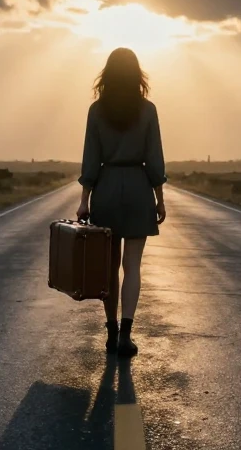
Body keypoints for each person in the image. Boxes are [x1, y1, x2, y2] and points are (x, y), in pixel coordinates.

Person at [76, 47, 167, 358]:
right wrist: (160, 199)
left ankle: (111, 332)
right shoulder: (149, 109)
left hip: (107, 187)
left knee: (109, 266)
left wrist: (84, 199)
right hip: (139, 188)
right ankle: (127, 335)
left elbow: (90, 159)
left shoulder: (96, 111)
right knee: (133, 266)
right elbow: (155, 159)